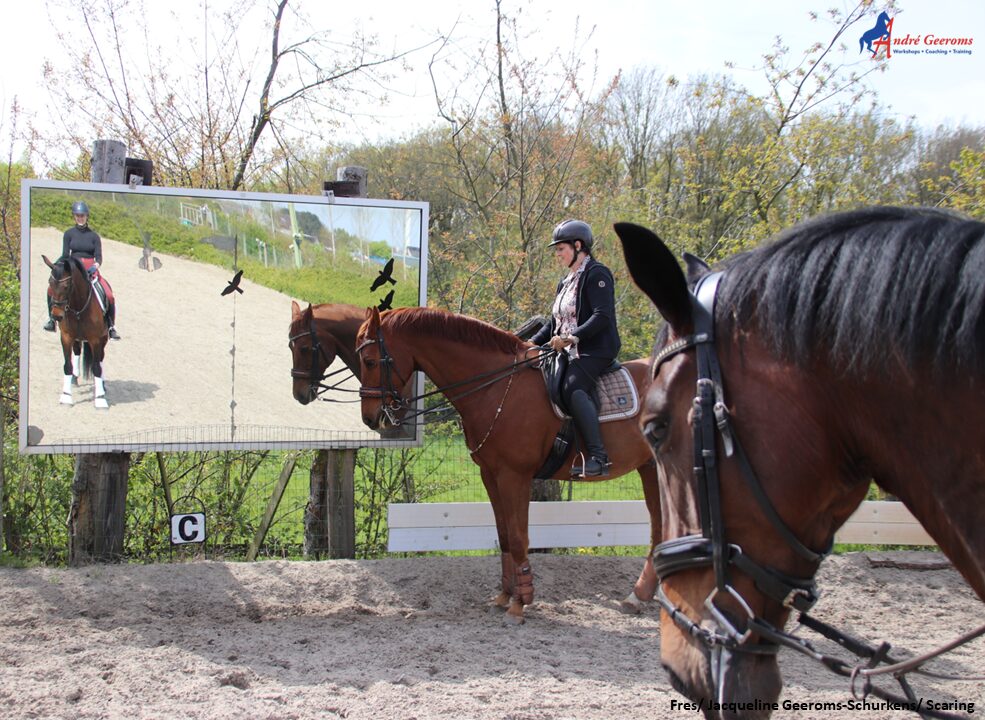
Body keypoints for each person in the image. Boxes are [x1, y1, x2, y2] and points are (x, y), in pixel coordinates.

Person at [529, 219, 620, 477]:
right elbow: (554, 322)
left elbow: (602, 316)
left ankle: (599, 457)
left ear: (578, 246)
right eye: (557, 250)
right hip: (568, 350)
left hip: (596, 350)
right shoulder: (566, 281)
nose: (557, 254)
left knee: (573, 386)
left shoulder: (597, 274)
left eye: (561, 249)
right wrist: (531, 343)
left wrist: (571, 338)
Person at [43, 200, 121, 340]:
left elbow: (99, 257)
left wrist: (94, 267)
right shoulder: (68, 234)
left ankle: (110, 326)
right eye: (78, 215)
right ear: (74, 216)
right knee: (51, 289)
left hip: (91, 268)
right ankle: (51, 320)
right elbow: (66, 254)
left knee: (109, 295)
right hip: (73, 268)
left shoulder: (94, 236)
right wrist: (56, 265)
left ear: (87, 216)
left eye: (82, 215)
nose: (80, 218)